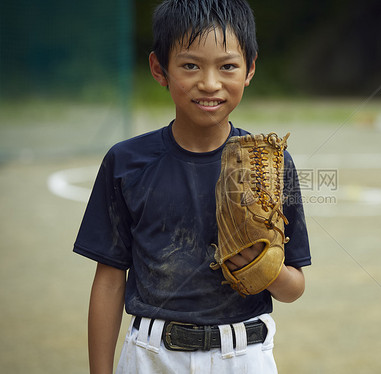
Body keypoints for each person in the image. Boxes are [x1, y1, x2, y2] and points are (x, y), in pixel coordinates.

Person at [73, 0, 311, 373]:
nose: (210, 83)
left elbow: (294, 287)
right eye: (190, 65)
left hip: (244, 356)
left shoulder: (269, 165)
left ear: (249, 69)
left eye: (228, 66)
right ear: (159, 68)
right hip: (151, 356)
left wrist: (264, 269)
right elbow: (108, 279)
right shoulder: (126, 163)